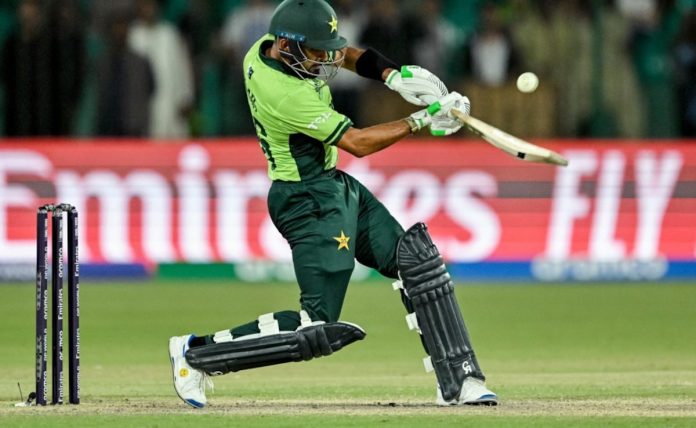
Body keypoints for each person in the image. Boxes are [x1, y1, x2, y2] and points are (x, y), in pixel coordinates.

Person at [168, 0, 497, 409]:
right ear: (286, 46)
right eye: (317, 52)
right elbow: (357, 143)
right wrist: (423, 117)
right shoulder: (284, 93)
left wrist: (392, 75)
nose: (327, 61)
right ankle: (195, 354)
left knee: (416, 259)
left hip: (333, 186)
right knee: (315, 326)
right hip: (305, 201)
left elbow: (345, 54)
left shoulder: (272, 45)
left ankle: (461, 380)